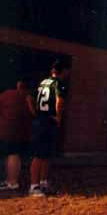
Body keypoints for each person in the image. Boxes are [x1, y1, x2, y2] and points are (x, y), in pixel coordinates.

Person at [30, 59, 71, 197]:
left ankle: (43, 183)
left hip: (40, 119)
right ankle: (34, 185)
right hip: (49, 120)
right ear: (63, 71)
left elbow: (29, 98)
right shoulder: (59, 84)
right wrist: (58, 117)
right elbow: (59, 101)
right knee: (40, 155)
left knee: (45, 154)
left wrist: (35, 114)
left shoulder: (42, 82)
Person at [0, 79, 34, 191]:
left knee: (11, 154)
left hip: (7, 129)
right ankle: (11, 180)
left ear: (19, 85)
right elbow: (31, 115)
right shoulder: (27, 98)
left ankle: (12, 182)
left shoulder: (7, 95)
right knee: (14, 155)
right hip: (20, 130)